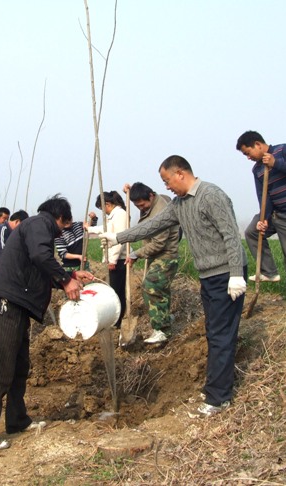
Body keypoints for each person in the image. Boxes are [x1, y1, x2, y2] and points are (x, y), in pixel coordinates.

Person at [96, 156, 247, 417]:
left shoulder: (211, 195)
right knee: (213, 332)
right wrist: (117, 237)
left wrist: (236, 273)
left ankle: (219, 398)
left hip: (226, 274)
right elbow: (152, 225)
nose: (166, 187)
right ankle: (215, 387)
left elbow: (231, 234)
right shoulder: (179, 204)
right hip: (208, 275)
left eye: (167, 181)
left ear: (180, 174)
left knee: (222, 334)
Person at [0, 195, 94, 451]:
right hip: (6, 305)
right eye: (64, 226)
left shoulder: (36, 228)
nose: (63, 232)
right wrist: (66, 280)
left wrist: (69, 275)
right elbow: (40, 256)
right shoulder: (40, 224)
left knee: (19, 367)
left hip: (17, 306)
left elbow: (38, 269)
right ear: (60, 217)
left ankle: (17, 420)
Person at [236, 131, 286, 312]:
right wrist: (264, 219)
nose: (248, 158)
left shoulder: (283, 150)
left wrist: (276, 163)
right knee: (252, 232)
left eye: (248, 153)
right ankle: (268, 272)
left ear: (257, 144)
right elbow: (264, 197)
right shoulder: (257, 170)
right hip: (276, 213)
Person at [123, 182, 179, 344]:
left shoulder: (160, 211)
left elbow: (158, 243)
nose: (141, 208)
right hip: (157, 255)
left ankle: (161, 330)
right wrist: (129, 192)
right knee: (161, 289)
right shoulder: (153, 203)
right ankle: (165, 318)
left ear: (151, 196)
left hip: (166, 255)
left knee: (151, 287)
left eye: (142, 205)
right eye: (137, 206)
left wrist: (136, 254)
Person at [86, 191, 128, 328]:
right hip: (114, 259)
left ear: (108, 204)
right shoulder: (114, 216)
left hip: (119, 260)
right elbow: (105, 229)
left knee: (117, 291)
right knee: (115, 290)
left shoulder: (120, 214)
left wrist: (113, 260)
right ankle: (116, 319)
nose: (103, 212)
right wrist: (89, 229)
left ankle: (118, 320)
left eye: (102, 208)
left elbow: (120, 239)